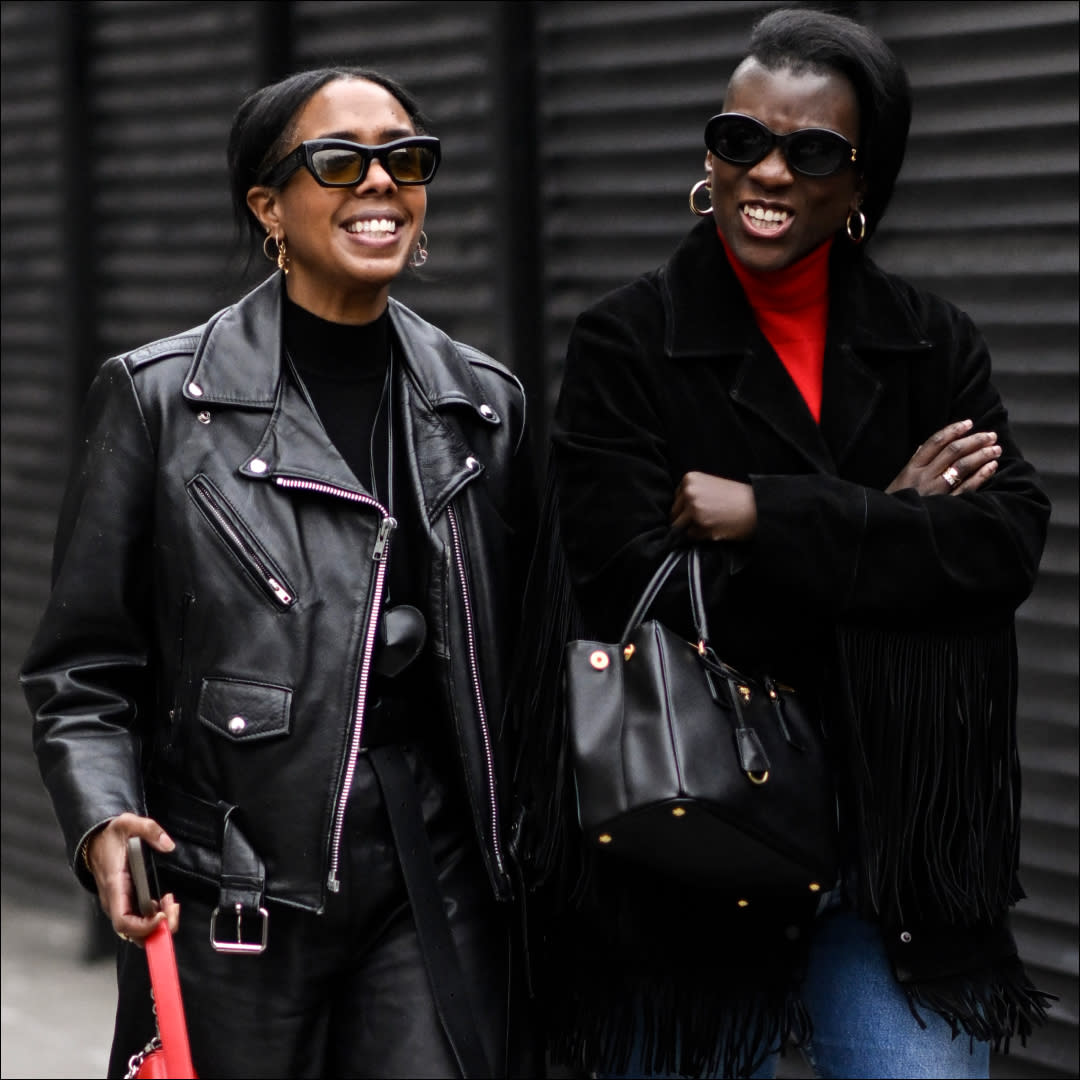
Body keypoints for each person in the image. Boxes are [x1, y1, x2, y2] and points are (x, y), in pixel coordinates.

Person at [512, 9, 1052, 1079]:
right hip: (689, 855)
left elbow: (1003, 546)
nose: (766, 171)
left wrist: (769, 512)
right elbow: (630, 588)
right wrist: (890, 519)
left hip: (894, 853)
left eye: (810, 151)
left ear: (861, 186)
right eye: (738, 138)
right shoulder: (629, 340)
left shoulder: (930, 343)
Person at [22, 65, 535, 1079]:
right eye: (339, 162)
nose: (380, 184)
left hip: (432, 881)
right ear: (270, 205)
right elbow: (84, 668)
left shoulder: (482, 405)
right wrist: (98, 821)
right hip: (230, 887)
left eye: (406, 159)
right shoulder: (161, 401)